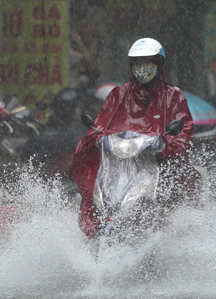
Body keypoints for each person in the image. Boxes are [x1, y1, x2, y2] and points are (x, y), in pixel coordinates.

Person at [69, 37, 198, 238]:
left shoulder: (173, 96)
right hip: (119, 166)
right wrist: (95, 136)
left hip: (158, 165)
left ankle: (167, 239)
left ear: (158, 64)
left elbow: (184, 132)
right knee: (93, 191)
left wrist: (167, 142)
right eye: (137, 62)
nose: (142, 67)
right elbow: (101, 125)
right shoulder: (118, 94)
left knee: (171, 198)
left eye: (147, 62)